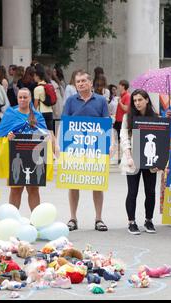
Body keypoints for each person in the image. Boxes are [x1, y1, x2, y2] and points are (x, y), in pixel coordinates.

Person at [62, 71, 113, 232]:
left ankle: (98, 219)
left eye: (84, 81)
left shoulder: (101, 101)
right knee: (73, 183)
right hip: (74, 146)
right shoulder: (70, 101)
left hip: (96, 146)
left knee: (97, 183)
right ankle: (72, 218)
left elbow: (106, 123)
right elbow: (64, 124)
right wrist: (58, 145)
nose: (81, 83)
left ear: (91, 83)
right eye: (78, 81)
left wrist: (110, 144)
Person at [0, 88, 48, 210]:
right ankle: (12, 220)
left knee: (34, 189)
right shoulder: (10, 114)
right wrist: (7, 138)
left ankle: (36, 221)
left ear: (30, 99)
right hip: (16, 156)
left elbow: (45, 135)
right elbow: (0, 136)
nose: (23, 99)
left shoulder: (38, 116)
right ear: (17, 99)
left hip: (34, 156)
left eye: (25, 97)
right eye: (20, 97)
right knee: (15, 190)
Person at [120, 89, 160, 235]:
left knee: (150, 191)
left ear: (147, 100)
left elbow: (161, 139)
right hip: (133, 159)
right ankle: (131, 222)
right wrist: (129, 156)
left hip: (150, 160)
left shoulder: (155, 117)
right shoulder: (127, 117)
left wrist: (160, 159)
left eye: (140, 100)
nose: (137, 103)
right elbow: (124, 137)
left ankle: (149, 220)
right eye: (135, 100)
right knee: (132, 191)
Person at [33, 65, 54, 133]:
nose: (34, 78)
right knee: (51, 132)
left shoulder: (37, 88)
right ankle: (53, 143)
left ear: (37, 76)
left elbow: (36, 104)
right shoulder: (49, 85)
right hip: (50, 111)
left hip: (41, 113)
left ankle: (44, 144)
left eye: (34, 76)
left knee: (42, 133)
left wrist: (33, 114)